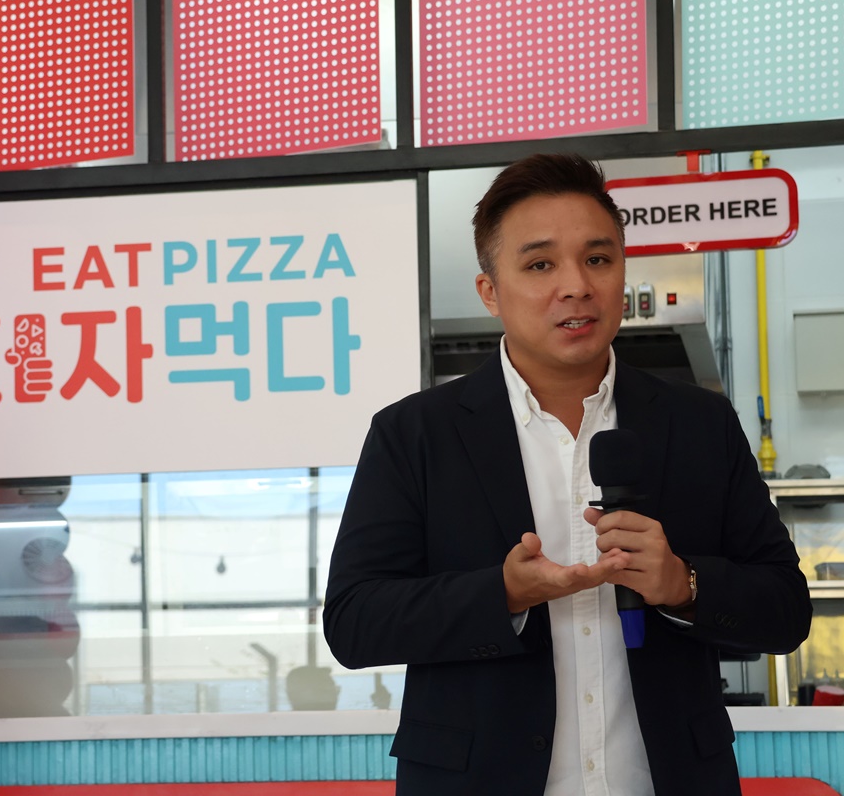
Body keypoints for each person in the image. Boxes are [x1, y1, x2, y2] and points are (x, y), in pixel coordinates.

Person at [323, 153, 812, 795]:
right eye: (540, 265)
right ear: (490, 291)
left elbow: (786, 609)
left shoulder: (700, 423)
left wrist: (683, 584)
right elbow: (355, 622)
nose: (577, 285)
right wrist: (502, 594)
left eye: (598, 258)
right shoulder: (414, 433)